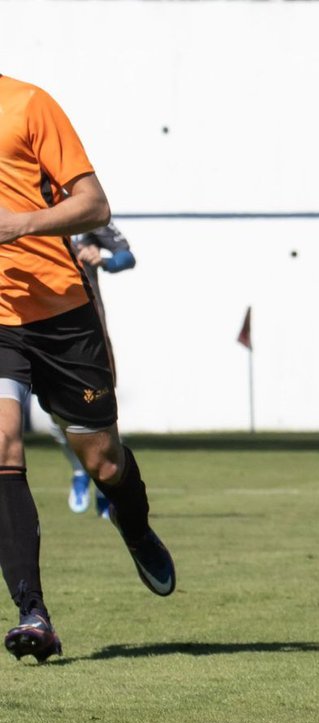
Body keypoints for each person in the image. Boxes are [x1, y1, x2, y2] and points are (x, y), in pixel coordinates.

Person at [0, 75, 176, 663]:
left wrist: (20, 223)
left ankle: (134, 523)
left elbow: (95, 205)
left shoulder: (28, 104)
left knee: (102, 461)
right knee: (2, 444)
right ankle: (33, 611)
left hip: (59, 312)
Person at [60, 220, 137, 518]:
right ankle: (80, 472)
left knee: (102, 414)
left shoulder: (86, 211)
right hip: (42, 334)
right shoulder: (25, 208)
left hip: (91, 335)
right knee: (57, 422)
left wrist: (102, 260)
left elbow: (127, 256)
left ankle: (108, 485)